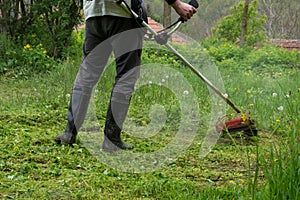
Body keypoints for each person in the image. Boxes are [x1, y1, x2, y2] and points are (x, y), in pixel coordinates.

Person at [55, 0, 196, 152]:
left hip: (94, 15)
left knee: (87, 73)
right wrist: (176, 4)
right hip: (122, 14)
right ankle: (111, 139)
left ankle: (69, 133)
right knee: (126, 76)